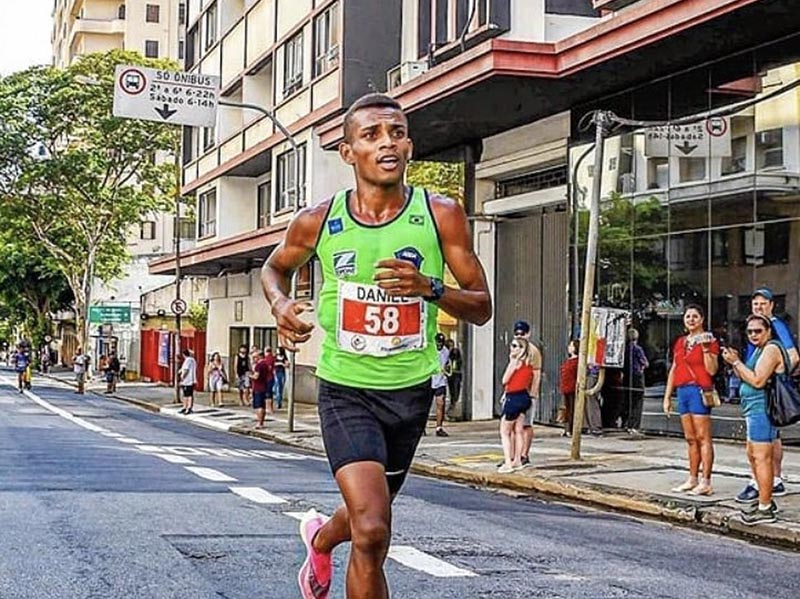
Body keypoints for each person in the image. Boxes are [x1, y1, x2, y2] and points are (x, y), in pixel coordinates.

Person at [261, 93, 491, 599]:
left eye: (397, 132)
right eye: (371, 135)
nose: (388, 142)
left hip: (409, 393)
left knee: (372, 513)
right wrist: (280, 306)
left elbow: (481, 306)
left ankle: (320, 539)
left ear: (409, 145)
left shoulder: (441, 214)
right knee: (372, 530)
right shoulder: (318, 220)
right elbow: (274, 267)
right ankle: (332, 540)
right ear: (348, 153)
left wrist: (430, 287)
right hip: (346, 390)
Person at [722, 313, 786, 524]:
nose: (753, 335)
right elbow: (747, 375)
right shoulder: (759, 350)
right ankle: (763, 499)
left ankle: (765, 507)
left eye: (758, 330)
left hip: (762, 410)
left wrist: (737, 362)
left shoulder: (771, 349)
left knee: (761, 457)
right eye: (749, 331)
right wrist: (734, 363)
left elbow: (758, 381)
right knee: (753, 455)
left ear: (768, 331)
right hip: (752, 409)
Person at [735, 287, 795, 503]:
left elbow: (793, 357)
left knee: (763, 452)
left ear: (771, 306)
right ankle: (769, 485)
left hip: (764, 399)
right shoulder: (758, 335)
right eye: (755, 304)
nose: (759, 307)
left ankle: (766, 493)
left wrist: (778, 377)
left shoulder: (775, 328)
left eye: (763, 303)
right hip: (754, 399)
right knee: (761, 448)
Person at [662, 304, 719, 496]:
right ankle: (692, 477)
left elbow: (712, 370)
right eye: (688, 316)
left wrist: (704, 349)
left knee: (703, 437)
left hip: (698, 389)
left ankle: (706, 481)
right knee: (690, 438)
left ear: (702, 319)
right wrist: (667, 395)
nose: (691, 319)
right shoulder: (681, 342)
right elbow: (674, 368)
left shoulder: (709, 340)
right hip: (683, 390)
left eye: (695, 316)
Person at [498, 338, 534, 473]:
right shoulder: (528, 364)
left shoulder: (514, 363)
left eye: (514, 346)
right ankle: (517, 460)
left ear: (521, 349)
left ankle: (508, 461)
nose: (511, 348)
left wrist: (511, 361)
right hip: (524, 396)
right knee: (518, 430)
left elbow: (504, 379)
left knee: (505, 431)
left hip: (513, 398)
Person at [513, 320, 541, 466]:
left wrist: (533, 394)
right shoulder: (514, 349)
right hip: (514, 391)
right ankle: (513, 454)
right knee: (511, 424)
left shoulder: (533, 352)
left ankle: (524, 454)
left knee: (526, 425)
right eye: (517, 334)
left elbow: (536, 374)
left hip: (527, 392)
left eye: (522, 333)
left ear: (528, 334)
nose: (519, 336)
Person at [624, 328, 649, 435]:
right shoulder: (638, 349)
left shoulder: (625, 349)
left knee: (630, 401)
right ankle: (634, 426)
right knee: (638, 402)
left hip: (627, 376)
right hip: (637, 376)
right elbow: (645, 363)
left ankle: (627, 423)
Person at [559, 340, 579, 437]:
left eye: (571, 346)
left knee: (572, 409)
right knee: (566, 409)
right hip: (566, 387)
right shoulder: (569, 360)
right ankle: (566, 428)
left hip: (572, 387)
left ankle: (570, 429)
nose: (569, 347)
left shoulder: (577, 362)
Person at [431, 333, 450, 437]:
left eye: (441, 343)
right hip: (430, 380)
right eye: (438, 343)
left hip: (440, 381)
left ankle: (439, 427)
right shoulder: (430, 351)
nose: (439, 345)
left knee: (440, 403)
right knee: (425, 405)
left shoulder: (446, 352)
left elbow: (447, 364)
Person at [249, 350, 274, 428]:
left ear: (259, 356)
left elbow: (256, 376)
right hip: (264, 386)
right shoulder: (265, 364)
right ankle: (262, 422)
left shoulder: (259, 366)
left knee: (259, 406)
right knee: (263, 406)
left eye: (255, 357)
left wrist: (250, 376)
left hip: (258, 387)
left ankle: (259, 423)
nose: (254, 359)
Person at [444, 339, 463, 417]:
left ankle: (454, 403)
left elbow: (459, 360)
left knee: (456, 389)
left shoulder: (455, 352)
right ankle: (452, 404)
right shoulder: (446, 352)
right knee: (452, 389)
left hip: (456, 373)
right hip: (451, 374)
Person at [178, 349, 197, 415]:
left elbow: (186, 370)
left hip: (187, 380)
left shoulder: (187, 360)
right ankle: (186, 407)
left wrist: (182, 378)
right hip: (192, 380)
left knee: (187, 394)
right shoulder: (193, 360)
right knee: (189, 394)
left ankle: (187, 407)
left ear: (184, 355)